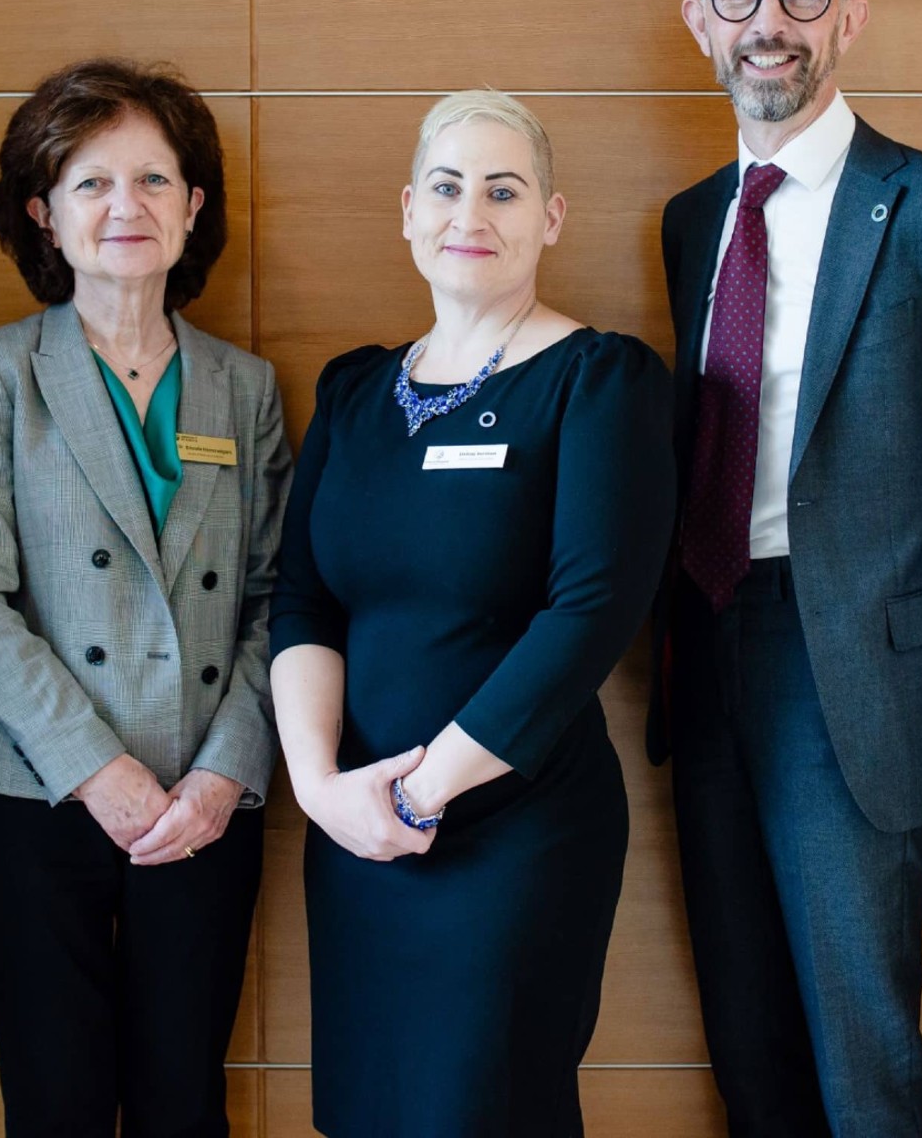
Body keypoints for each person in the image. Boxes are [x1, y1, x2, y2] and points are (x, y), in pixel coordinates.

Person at [655, 0, 922, 1137]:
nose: (769, 23)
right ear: (698, 22)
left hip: (856, 682)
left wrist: (908, 641)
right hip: (707, 647)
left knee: (862, 1048)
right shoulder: (689, 221)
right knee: (748, 1033)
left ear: (853, 19)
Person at [269, 90, 674, 1138]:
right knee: (371, 1111)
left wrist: (424, 792)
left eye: (505, 190)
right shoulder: (354, 391)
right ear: (408, 210)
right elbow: (304, 601)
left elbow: (592, 612)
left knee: (481, 1108)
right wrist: (322, 792)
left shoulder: (601, 380)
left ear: (551, 217)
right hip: (357, 828)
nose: (471, 214)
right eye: (447, 188)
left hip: (515, 828)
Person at [0, 59, 289, 1138]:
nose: (124, 208)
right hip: (35, 792)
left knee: (187, 1101)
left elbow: (280, 596)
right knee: (56, 1104)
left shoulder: (248, 385)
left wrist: (227, 772)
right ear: (42, 214)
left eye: (152, 180)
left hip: (203, 804)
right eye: (90, 183)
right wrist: (96, 770)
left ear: (193, 208)